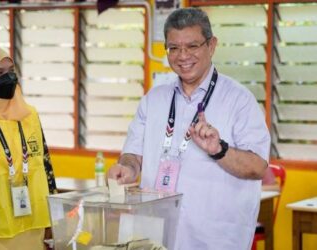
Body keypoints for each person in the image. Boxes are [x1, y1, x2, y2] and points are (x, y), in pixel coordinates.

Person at [108, 7, 271, 250]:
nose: (182, 56)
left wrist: (219, 149)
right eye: (174, 48)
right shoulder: (154, 99)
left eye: (192, 46)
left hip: (213, 237)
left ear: (211, 45)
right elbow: (133, 154)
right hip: (156, 234)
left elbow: (258, 167)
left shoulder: (239, 100)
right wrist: (128, 169)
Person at [0, 46, 57, 250]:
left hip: (35, 229)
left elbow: (46, 168)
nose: (8, 77)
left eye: (11, 70)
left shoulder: (30, 115)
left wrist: (53, 222)